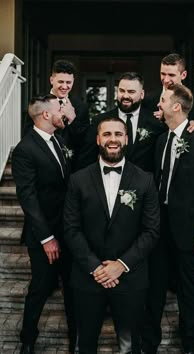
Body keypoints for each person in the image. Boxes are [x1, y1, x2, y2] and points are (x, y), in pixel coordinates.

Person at [64, 117, 160, 354]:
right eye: (107, 134)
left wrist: (121, 265)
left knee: (130, 345)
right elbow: (71, 229)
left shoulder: (145, 180)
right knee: (84, 343)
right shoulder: (78, 180)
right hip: (87, 278)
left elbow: (151, 231)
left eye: (118, 134)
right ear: (98, 139)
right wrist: (96, 267)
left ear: (126, 139)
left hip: (131, 279)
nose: (113, 139)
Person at [141, 84, 194, 354]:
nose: (158, 104)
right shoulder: (162, 140)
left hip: (189, 230)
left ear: (176, 106)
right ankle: (149, 343)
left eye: (162, 100)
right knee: (155, 286)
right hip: (160, 228)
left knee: (188, 288)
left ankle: (190, 347)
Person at [12, 95, 77, 354]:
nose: (63, 111)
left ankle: (76, 339)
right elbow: (28, 199)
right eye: (60, 108)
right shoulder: (24, 150)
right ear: (47, 115)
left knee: (72, 288)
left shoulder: (58, 140)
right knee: (39, 288)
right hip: (44, 235)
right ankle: (28, 339)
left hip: (68, 230)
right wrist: (47, 238)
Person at [76, 71, 194, 173]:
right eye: (121, 91)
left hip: (145, 192)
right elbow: (86, 159)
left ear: (142, 94)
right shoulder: (100, 121)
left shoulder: (157, 123)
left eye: (131, 92)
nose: (125, 96)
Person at [23, 59, 90, 170]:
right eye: (60, 82)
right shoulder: (38, 102)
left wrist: (72, 120)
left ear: (73, 81)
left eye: (68, 82)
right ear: (52, 80)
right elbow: (28, 134)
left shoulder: (81, 107)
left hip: (71, 168)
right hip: (42, 164)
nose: (64, 86)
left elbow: (84, 143)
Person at [144, 53, 194, 131]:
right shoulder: (148, 99)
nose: (166, 80)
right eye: (163, 74)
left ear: (183, 75)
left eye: (171, 75)